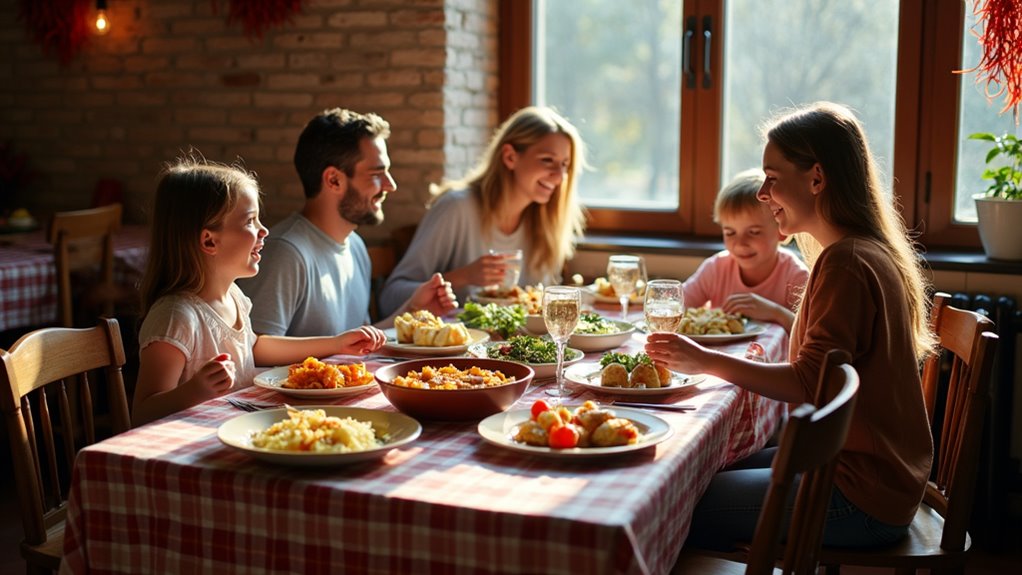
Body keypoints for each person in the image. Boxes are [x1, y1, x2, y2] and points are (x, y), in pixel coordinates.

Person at [647, 101, 936, 550]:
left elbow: (806, 383)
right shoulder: (859, 251)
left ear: (817, 179)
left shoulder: (848, 263)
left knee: (673, 503)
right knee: (702, 469)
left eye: (773, 179)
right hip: (867, 470)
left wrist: (703, 360)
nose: (763, 193)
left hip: (860, 493)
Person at [132, 159, 387, 426]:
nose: (264, 231)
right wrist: (194, 391)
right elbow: (141, 413)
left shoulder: (234, 297)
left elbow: (256, 347)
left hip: (239, 430)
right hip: (188, 445)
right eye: (250, 222)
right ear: (209, 240)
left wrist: (336, 343)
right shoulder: (176, 316)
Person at [237, 108, 457, 337]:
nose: (390, 185)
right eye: (376, 174)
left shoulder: (356, 246)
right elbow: (254, 355)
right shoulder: (285, 253)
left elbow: (356, 342)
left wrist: (413, 310)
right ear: (333, 180)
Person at [378, 106, 587, 316]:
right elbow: (389, 298)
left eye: (565, 165)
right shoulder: (457, 208)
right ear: (510, 157)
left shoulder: (547, 222)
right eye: (547, 160)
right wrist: (463, 277)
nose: (559, 177)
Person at [683, 168, 809, 332]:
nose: (740, 244)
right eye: (730, 233)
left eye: (754, 232)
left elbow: (809, 335)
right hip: (718, 357)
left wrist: (775, 312)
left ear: (781, 231)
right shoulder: (715, 268)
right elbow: (678, 305)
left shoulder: (796, 277)